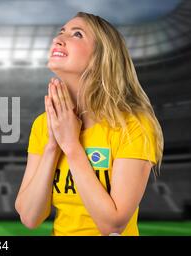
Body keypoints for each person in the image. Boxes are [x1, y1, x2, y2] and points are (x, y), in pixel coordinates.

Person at [15, 12, 164, 236]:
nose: (59, 39)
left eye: (77, 34)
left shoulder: (134, 125)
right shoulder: (43, 124)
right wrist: (52, 146)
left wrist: (71, 146)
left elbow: (113, 225)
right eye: (61, 32)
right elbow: (29, 216)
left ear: (100, 57)